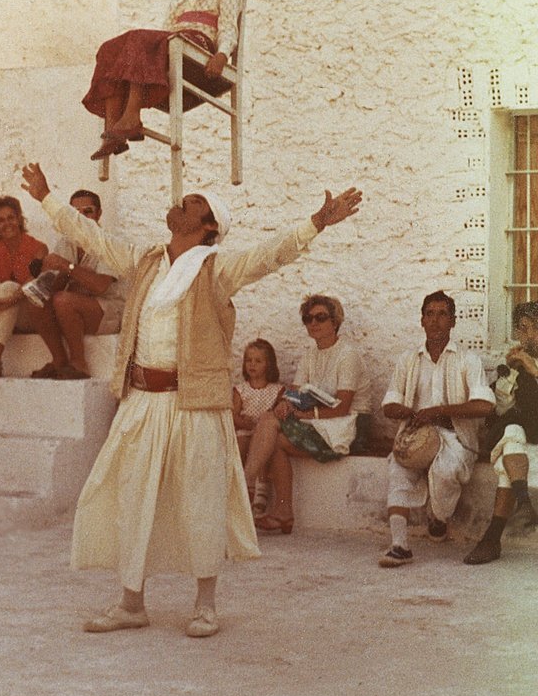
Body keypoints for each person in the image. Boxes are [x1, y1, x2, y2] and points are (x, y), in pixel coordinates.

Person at [22, 160, 362, 637]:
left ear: (208, 227)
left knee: (200, 500)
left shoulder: (218, 269)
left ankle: (205, 606)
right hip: (141, 401)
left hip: (195, 405)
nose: (183, 200)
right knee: (132, 495)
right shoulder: (144, 261)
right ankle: (131, 603)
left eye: (195, 202)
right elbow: (93, 238)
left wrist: (316, 222)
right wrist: (46, 197)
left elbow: (269, 256)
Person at [83, 0, 244, 161]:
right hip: (173, 46)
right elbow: (164, 33)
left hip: (199, 48)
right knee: (112, 49)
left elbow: (228, 26)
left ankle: (131, 116)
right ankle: (112, 129)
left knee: (140, 39)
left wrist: (222, 54)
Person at [378, 290, 495, 568]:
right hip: (416, 434)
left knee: (445, 472)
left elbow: (484, 405)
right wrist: (412, 413)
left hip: (455, 438)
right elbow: (389, 404)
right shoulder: (408, 360)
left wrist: (440, 412)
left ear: (453, 321)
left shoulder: (468, 360)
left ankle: (438, 518)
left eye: (443, 314)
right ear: (422, 320)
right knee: (398, 468)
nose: (435, 320)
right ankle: (399, 545)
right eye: (430, 314)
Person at [243, 296, 372, 534]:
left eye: (321, 317)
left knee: (270, 424)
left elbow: (343, 408)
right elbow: (294, 391)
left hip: (350, 426)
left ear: (335, 321)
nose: (313, 323)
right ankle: (282, 512)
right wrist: (284, 403)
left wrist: (302, 414)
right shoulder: (311, 354)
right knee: (274, 436)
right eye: (308, 318)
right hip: (323, 423)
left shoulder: (347, 355)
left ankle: (244, 487)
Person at [463, 300, 538, 565]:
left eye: (534, 329)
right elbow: (501, 411)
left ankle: (493, 536)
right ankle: (523, 501)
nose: (528, 336)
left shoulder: (529, 364)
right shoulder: (518, 366)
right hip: (530, 437)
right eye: (523, 329)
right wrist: (508, 382)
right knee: (512, 434)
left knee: (512, 441)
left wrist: (533, 368)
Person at [31, 190, 125, 380]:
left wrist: (66, 266)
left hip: (110, 311)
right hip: (76, 309)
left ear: (98, 214)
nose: (81, 218)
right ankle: (59, 360)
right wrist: (45, 273)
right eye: (75, 213)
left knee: (63, 301)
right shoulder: (67, 241)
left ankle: (79, 364)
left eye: (88, 212)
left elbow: (101, 286)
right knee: (37, 299)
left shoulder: (109, 242)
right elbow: (57, 285)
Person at [0, 196, 51, 384]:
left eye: (11, 217)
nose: (7, 224)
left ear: (20, 219)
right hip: (3, 314)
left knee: (8, 287)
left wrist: (5, 301)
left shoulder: (38, 248)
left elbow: (30, 284)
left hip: (28, 314)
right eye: (1, 220)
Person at [233, 339, 283, 515]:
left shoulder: (277, 390)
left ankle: (261, 490)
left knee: (261, 446)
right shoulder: (241, 390)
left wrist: (260, 426)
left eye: (258, 361)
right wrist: (248, 424)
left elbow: (276, 413)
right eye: (249, 360)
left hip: (263, 433)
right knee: (241, 443)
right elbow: (234, 415)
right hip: (246, 429)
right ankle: (242, 489)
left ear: (269, 365)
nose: (252, 365)